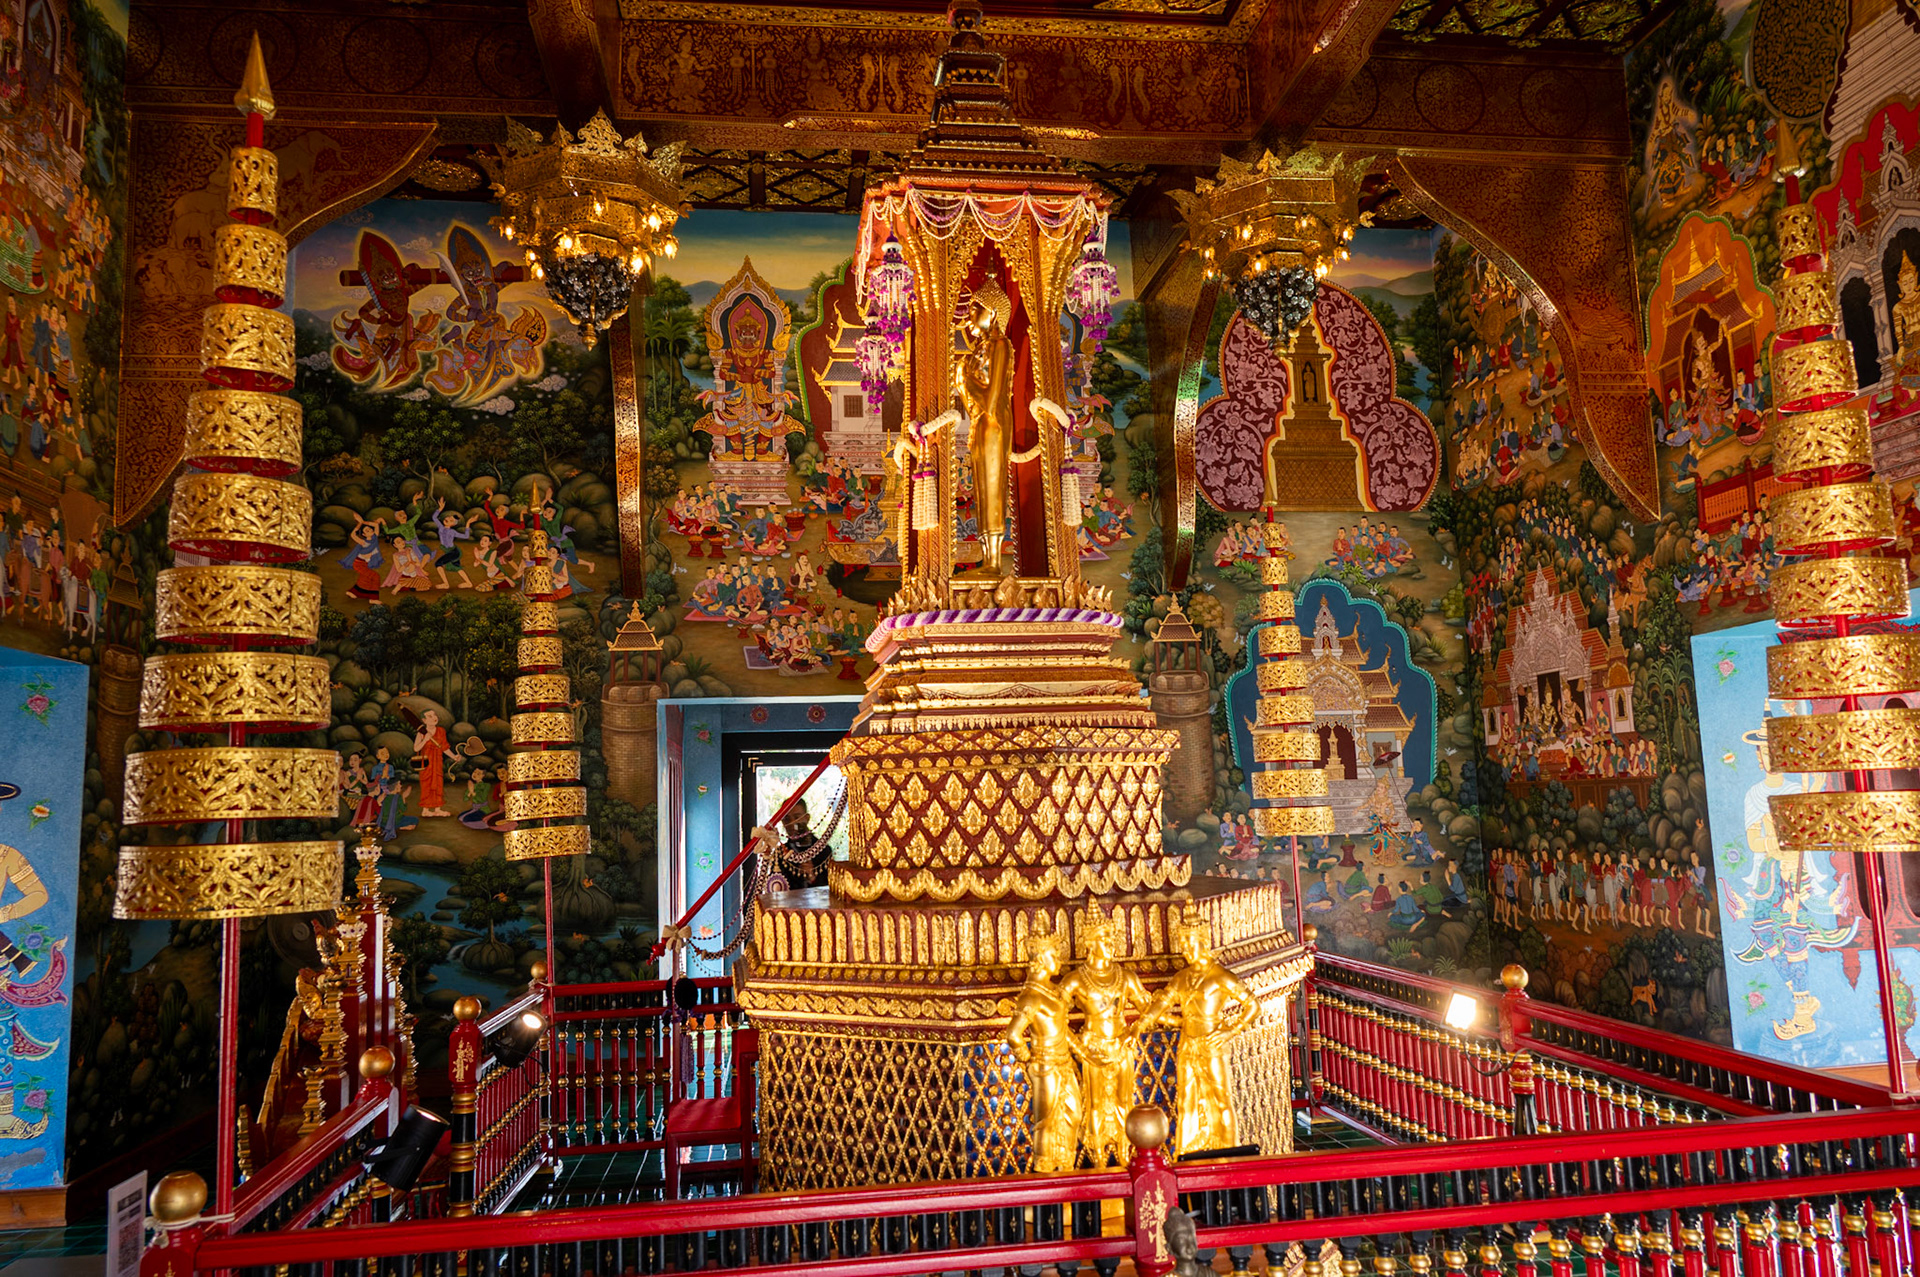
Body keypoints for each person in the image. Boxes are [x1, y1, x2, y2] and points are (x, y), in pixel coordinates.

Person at [412, 709, 457, 818]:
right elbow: (416, 748)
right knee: (426, 785)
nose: (434, 717)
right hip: (426, 764)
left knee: (438, 784)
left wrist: (454, 756)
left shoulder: (441, 731)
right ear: (424, 720)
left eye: (434, 715)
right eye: (430, 716)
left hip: (437, 762)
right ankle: (425, 810)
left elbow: (444, 747)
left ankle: (438, 809)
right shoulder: (421, 732)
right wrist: (425, 740)